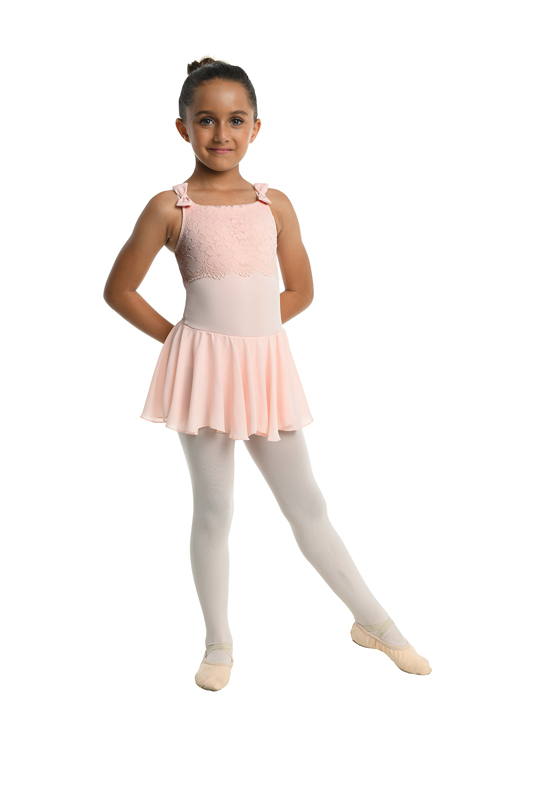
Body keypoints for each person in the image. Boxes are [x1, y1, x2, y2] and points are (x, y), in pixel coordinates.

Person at [103, 56, 431, 692]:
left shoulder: (272, 204)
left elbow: (300, 290)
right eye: (206, 120)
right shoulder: (171, 206)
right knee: (214, 509)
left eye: (236, 120)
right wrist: (187, 345)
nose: (221, 133)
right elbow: (119, 290)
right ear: (182, 128)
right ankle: (218, 643)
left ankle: (378, 625)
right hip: (202, 375)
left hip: (265, 370)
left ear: (256, 127)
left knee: (307, 505)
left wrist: (249, 337)